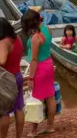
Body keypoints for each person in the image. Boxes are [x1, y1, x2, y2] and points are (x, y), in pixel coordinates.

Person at [22, 9, 56, 137]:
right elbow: (47, 47)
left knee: (36, 99)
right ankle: (50, 126)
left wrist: (30, 78)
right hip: (48, 64)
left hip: (39, 68)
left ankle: (34, 130)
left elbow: (34, 59)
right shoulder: (47, 29)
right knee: (50, 96)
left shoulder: (36, 37)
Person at [0, 17, 25, 138]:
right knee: (19, 108)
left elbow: (2, 61)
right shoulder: (16, 38)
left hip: (5, 80)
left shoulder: (4, 42)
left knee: (4, 113)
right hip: (18, 76)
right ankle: (18, 136)